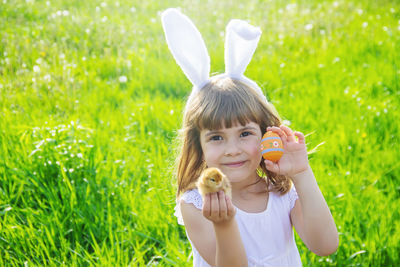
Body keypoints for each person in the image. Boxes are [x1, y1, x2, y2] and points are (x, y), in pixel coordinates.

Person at [162, 8, 339, 267]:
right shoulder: (196, 204)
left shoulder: (281, 191)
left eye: (245, 134)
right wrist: (224, 224)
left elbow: (325, 245)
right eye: (216, 138)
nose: (233, 149)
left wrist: (301, 173)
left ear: (268, 134)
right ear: (198, 146)